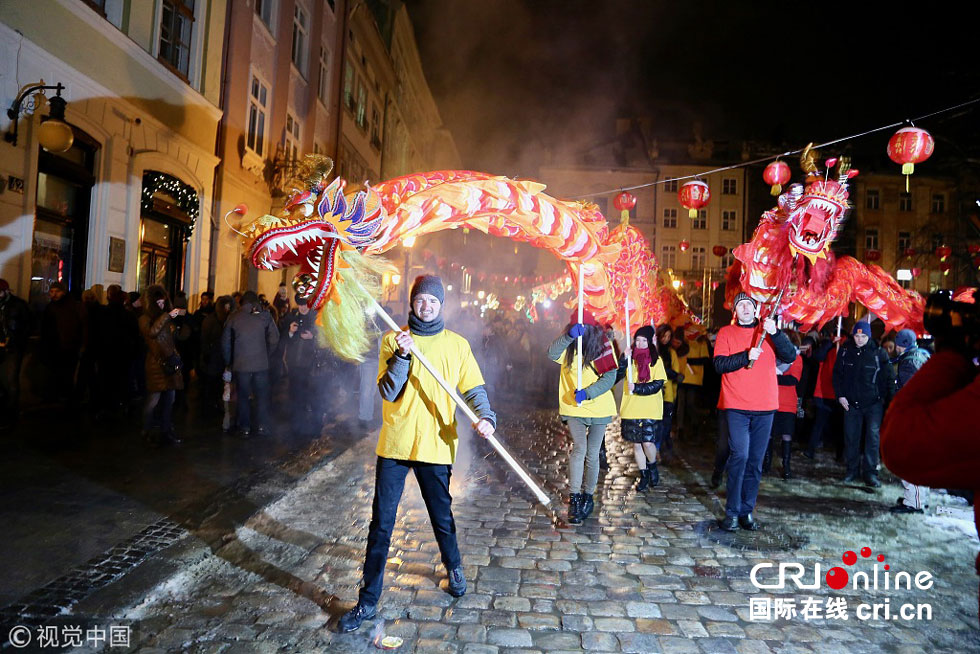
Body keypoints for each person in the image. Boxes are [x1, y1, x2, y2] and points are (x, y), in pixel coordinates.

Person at [338, 275, 496, 633]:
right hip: (395, 445)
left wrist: (485, 416)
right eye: (421, 300)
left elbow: (473, 388)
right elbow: (389, 392)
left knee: (442, 518)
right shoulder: (392, 340)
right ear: (412, 303)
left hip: (436, 445)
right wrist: (402, 356)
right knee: (381, 524)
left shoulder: (456, 345)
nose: (426, 306)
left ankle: (454, 568)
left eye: (433, 301)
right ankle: (367, 601)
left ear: (442, 305)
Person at [880, 340, 979, 625]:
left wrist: (952, 355)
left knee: (912, 476)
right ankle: (912, 500)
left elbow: (903, 445)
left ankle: (915, 503)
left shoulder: (915, 361)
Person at [713, 293, 796, 531]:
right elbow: (719, 364)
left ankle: (746, 511)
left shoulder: (768, 331)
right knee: (740, 455)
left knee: (756, 462)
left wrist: (776, 333)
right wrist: (745, 357)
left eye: (750, 304)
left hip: (765, 406)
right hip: (737, 405)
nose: (746, 308)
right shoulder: (726, 333)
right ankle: (732, 511)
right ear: (735, 311)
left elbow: (790, 355)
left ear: (757, 309)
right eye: (741, 305)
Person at [547, 309, 618, 525]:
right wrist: (569, 337)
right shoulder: (568, 347)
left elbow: (610, 377)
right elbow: (551, 353)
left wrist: (588, 393)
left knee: (593, 454)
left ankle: (589, 496)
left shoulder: (602, 346)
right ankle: (575, 498)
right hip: (573, 407)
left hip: (598, 408)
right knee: (579, 449)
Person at [832, 320, 895, 488]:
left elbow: (888, 378)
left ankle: (870, 473)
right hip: (851, 403)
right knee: (851, 437)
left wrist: (889, 402)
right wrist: (840, 396)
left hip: (873, 404)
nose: (859, 339)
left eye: (863, 336)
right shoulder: (845, 351)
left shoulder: (879, 353)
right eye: (857, 336)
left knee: (872, 439)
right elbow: (837, 375)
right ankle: (852, 471)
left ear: (869, 336)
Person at [615, 325, 667, 490]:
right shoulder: (630, 359)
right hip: (631, 407)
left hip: (650, 408)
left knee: (647, 442)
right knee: (637, 444)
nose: (640, 343)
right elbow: (616, 376)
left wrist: (637, 388)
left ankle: (652, 467)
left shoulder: (656, 360)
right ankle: (643, 475)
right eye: (637, 340)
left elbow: (657, 384)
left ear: (650, 341)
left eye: (644, 340)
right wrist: (624, 359)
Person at [221, 291, 279, 438]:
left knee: (243, 397)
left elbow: (225, 342)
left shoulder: (234, 317)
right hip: (261, 365)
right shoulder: (265, 316)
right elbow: (275, 338)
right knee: (262, 396)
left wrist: (229, 361)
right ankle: (261, 426)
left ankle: (245, 427)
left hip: (241, 365)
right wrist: (268, 354)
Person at [888, 328, 931, 513]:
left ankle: (914, 503)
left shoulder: (908, 363)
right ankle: (917, 498)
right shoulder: (920, 356)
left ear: (900, 345)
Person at [139, 285, 185, 445]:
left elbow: (172, 339)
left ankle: (166, 430)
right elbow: (152, 332)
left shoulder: (165, 317)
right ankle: (147, 429)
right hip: (156, 365)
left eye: (163, 302)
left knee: (170, 400)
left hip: (171, 363)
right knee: (153, 400)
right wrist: (167, 316)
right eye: (157, 303)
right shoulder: (145, 318)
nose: (161, 306)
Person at [40, 282, 86, 407]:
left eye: (57, 291)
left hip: (68, 347)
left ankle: (66, 398)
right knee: (54, 374)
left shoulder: (73, 307)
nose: (54, 294)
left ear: (63, 292)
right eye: (52, 291)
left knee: (67, 375)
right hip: (54, 347)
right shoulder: (50, 307)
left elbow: (81, 327)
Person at [280, 294, 319, 435]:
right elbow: (284, 338)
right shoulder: (292, 316)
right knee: (294, 392)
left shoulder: (316, 317)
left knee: (309, 393)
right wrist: (290, 332)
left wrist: (312, 337)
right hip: (294, 362)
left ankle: (310, 424)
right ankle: (296, 421)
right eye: (300, 304)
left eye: (305, 304)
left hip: (310, 364)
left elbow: (324, 339)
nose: (303, 308)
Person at [767, 330, 802, 480]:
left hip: (787, 402)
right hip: (770, 400)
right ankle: (766, 463)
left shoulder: (796, 358)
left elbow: (793, 380)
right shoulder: (772, 356)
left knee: (786, 434)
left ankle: (786, 466)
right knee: (768, 433)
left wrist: (772, 376)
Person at [0, 279, 30, 428]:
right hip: (1, 346)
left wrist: (14, 340)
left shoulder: (18, 305)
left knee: (12, 379)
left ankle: (11, 412)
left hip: (14, 348)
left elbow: (27, 326)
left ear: (6, 291)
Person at [656, 324, 683, 463]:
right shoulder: (654, 351)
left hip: (668, 395)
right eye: (663, 336)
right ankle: (660, 451)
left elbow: (676, 373)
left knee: (665, 425)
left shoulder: (671, 352)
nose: (665, 339)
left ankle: (663, 451)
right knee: (658, 425)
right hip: (655, 395)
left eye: (668, 336)